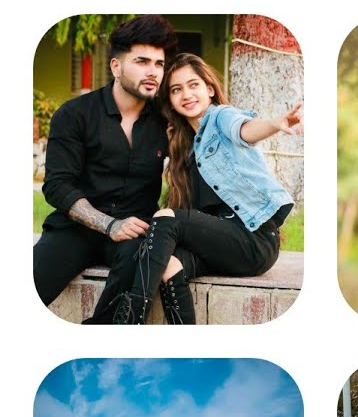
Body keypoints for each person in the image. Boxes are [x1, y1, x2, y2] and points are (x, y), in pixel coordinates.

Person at [97, 52, 301, 323]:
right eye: (176, 89)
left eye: (193, 85)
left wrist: (274, 125)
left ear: (209, 88)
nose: (186, 94)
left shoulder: (221, 118)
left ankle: (131, 318)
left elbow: (244, 129)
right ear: (170, 100)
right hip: (218, 245)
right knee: (168, 267)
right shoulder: (183, 147)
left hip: (252, 239)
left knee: (166, 218)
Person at [34, 15, 176, 309]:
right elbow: (58, 185)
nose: (153, 72)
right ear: (116, 66)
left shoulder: (167, 121)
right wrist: (109, 225)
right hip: (73, 229)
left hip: (135, 232)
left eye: (159, 64)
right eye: (142, 61)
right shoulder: (75, 114)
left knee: (134, 283)